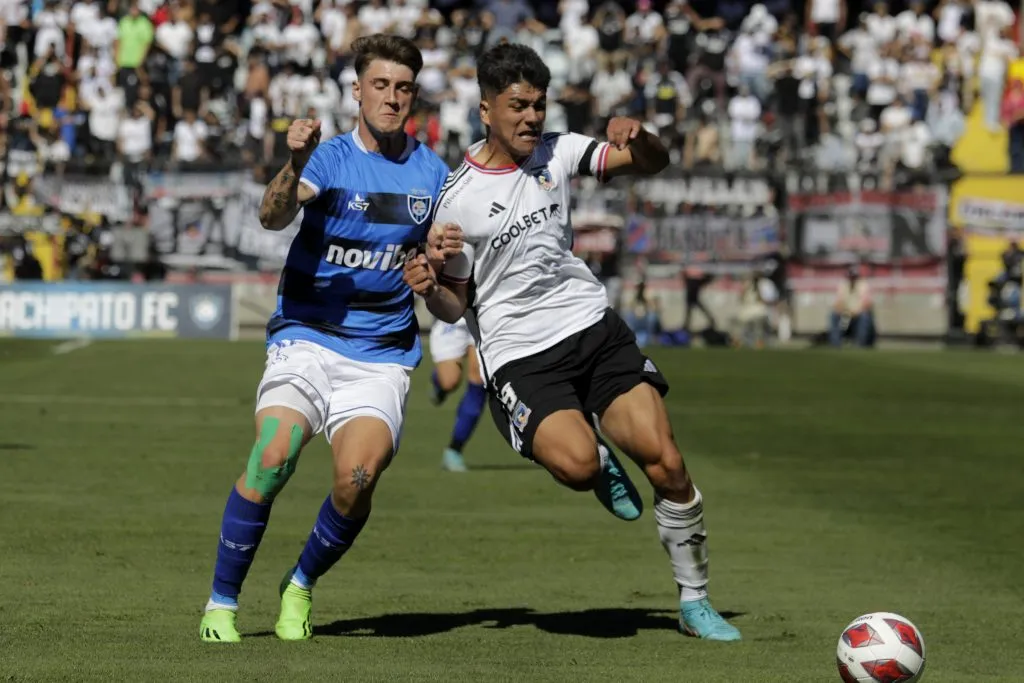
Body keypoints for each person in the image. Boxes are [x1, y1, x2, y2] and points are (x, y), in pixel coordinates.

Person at [403, 42, 741, 641]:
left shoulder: (560, 151)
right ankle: (589, 455)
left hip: (591, 328)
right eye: (517, 106)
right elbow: (456, 304)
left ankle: (694, 601)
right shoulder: (458, 199)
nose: (531, 117)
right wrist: (430, 288)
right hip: (519, 356)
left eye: (538, 104)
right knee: (580, 465)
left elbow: (651, 164)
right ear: (486, 109)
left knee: (667, 463)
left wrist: (643, 137)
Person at [198, 34, 461, 644]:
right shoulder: (329, 157)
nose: (391, 98)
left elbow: (450, 303)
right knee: (273, 455)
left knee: (357, 480)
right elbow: (272, 215)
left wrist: (429, 285)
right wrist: (293, 164)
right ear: (357, 92)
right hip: (307, 336)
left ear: (413, 96)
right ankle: (221, 602)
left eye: (402, 88)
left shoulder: (433, 178)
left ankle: (300, 584)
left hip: (382, 355)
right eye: (379, 86)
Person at [427, 316, 487, 472]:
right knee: (449, 381)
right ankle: (439, 382)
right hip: (453, 317)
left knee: (480, 379)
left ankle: (454, 449)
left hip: (483, 316)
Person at [829, 266, 875, 348]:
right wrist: (842, 310)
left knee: (864, 316)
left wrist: (855, 312)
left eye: (854, 277)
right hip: (846, 313)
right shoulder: (843, 284)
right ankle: (836, 343)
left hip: (859, 313)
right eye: (851, 277)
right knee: (833, 315)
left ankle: (861, 343)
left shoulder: (863, 284)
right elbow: (838, 302)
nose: (852, 279)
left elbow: (867, 303)